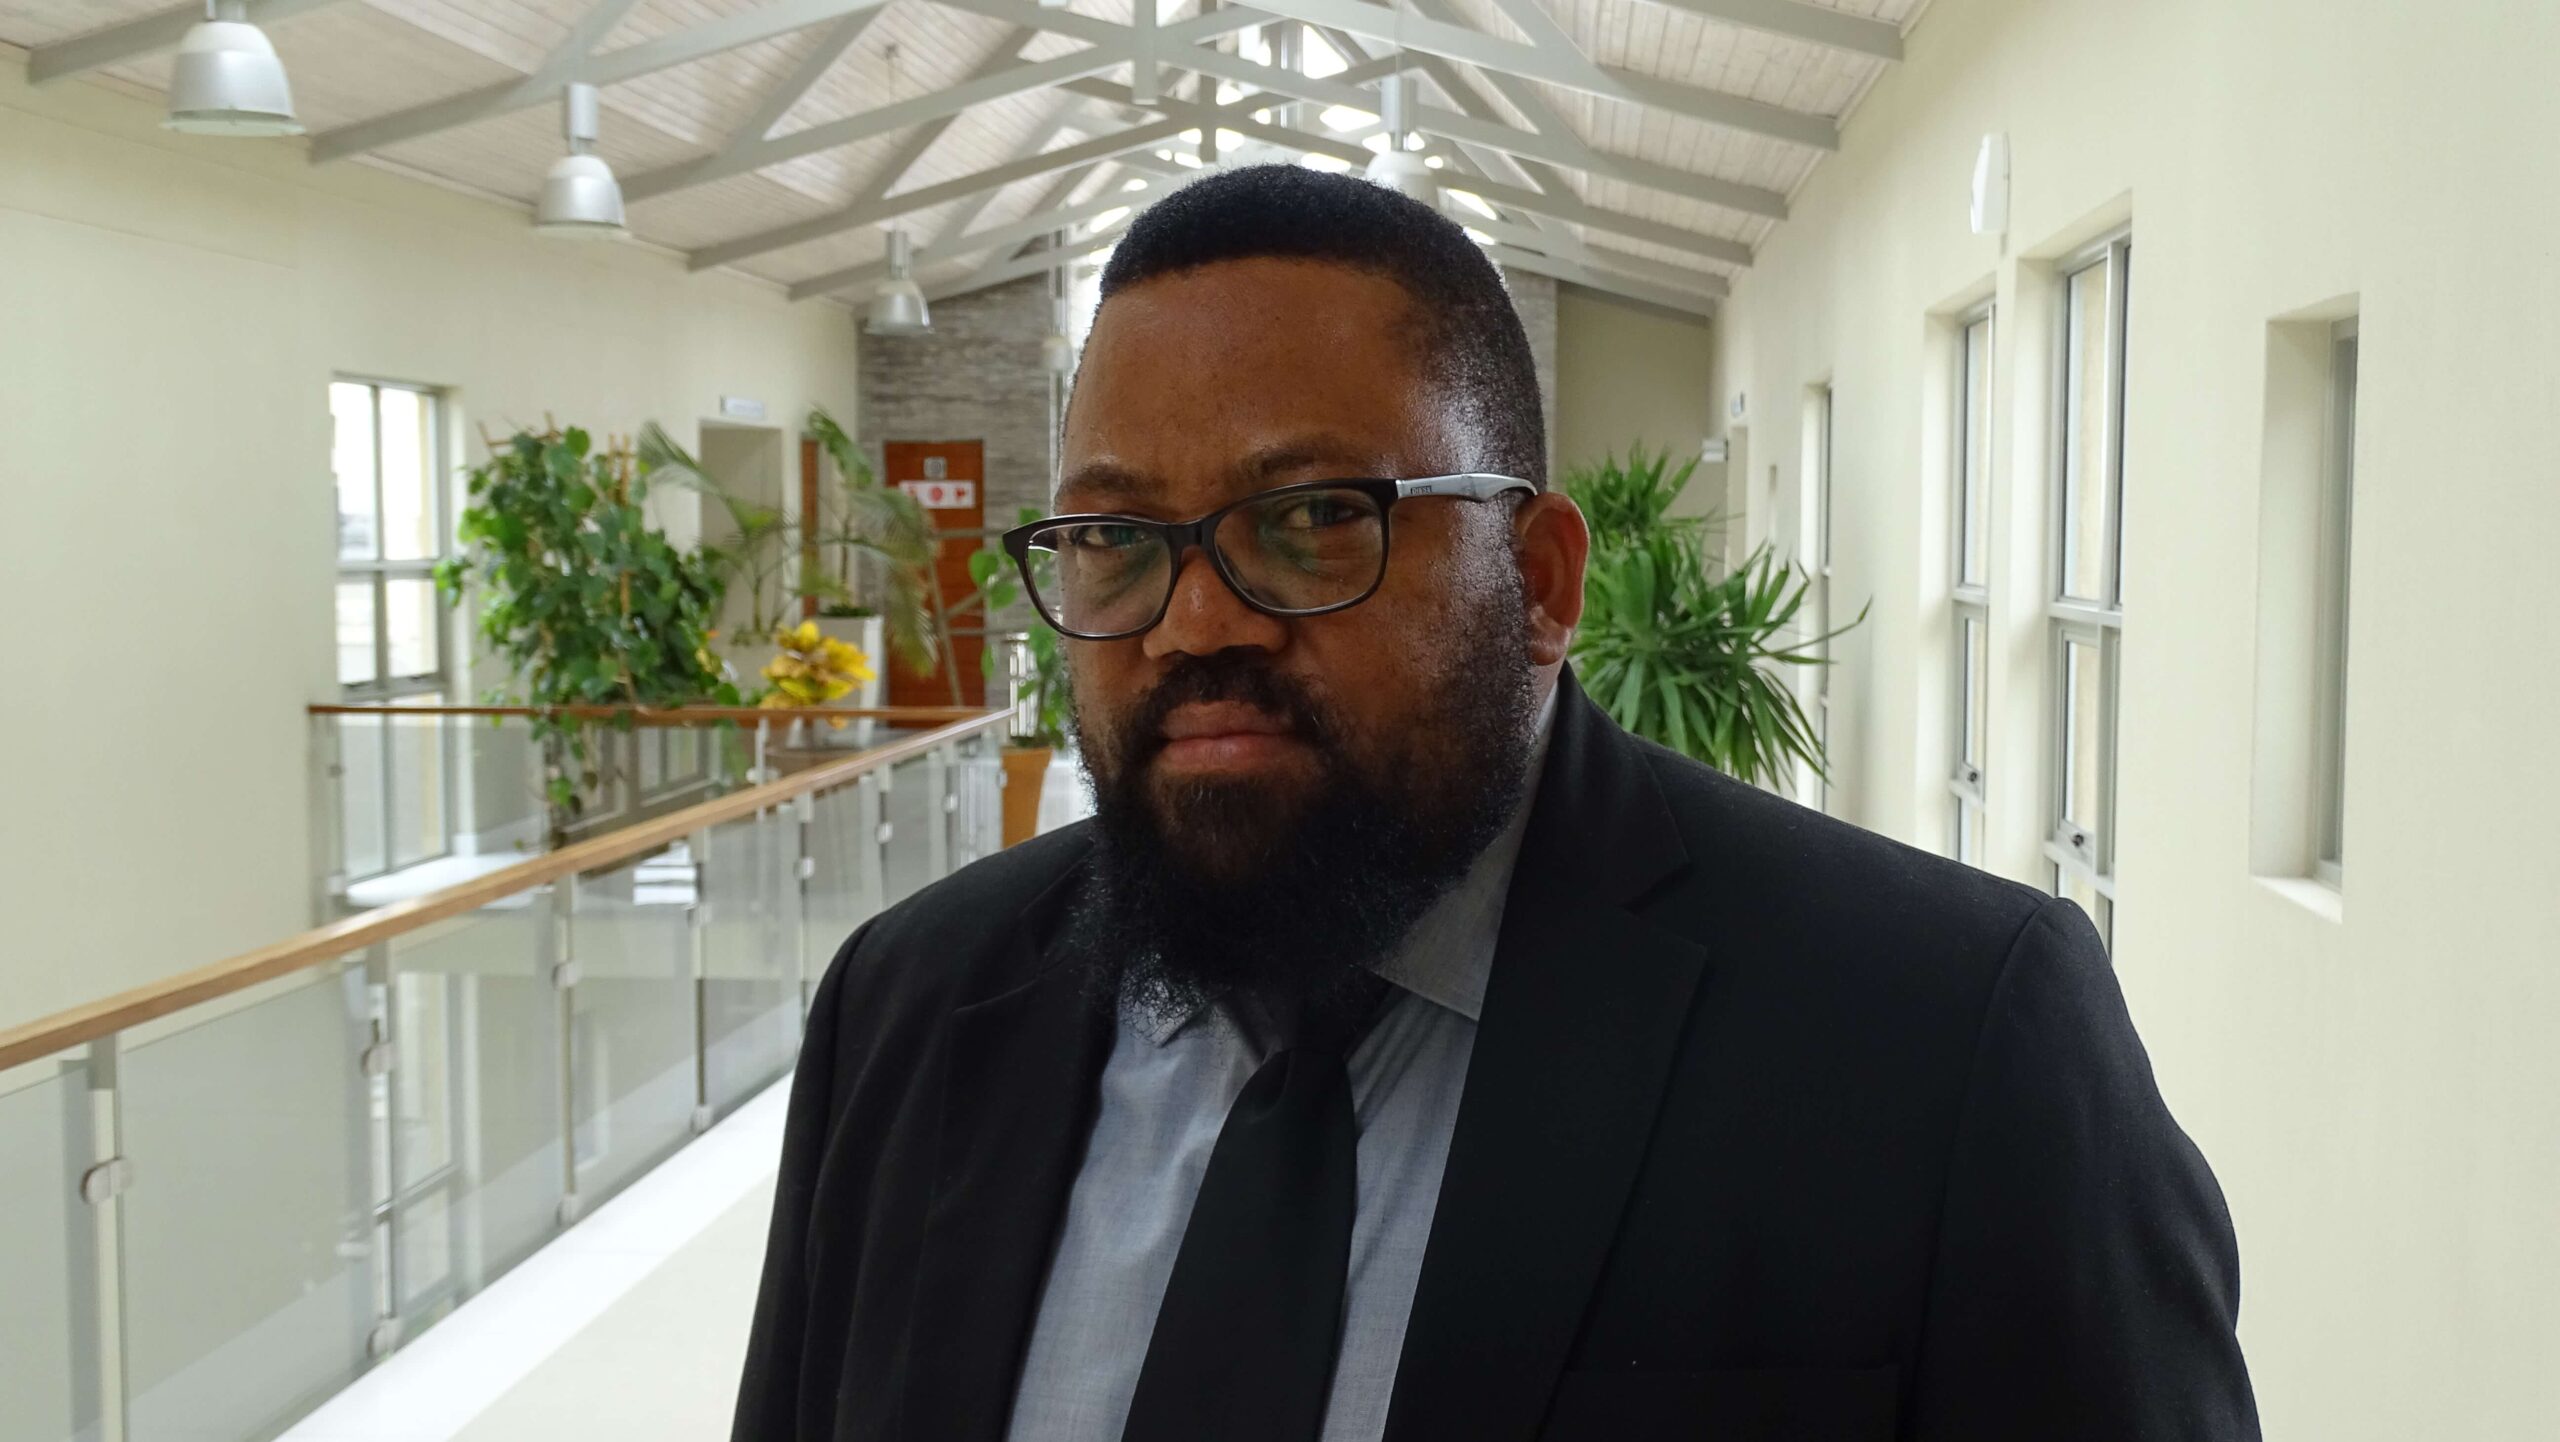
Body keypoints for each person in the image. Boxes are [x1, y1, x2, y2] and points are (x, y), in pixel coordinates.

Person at [730, 165, 2258, 1442]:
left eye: (1314, 519)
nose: (1193, 622)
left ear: (1539, 580)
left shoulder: (1944, 1046)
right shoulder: (908, 1008)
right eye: (1117, 538)